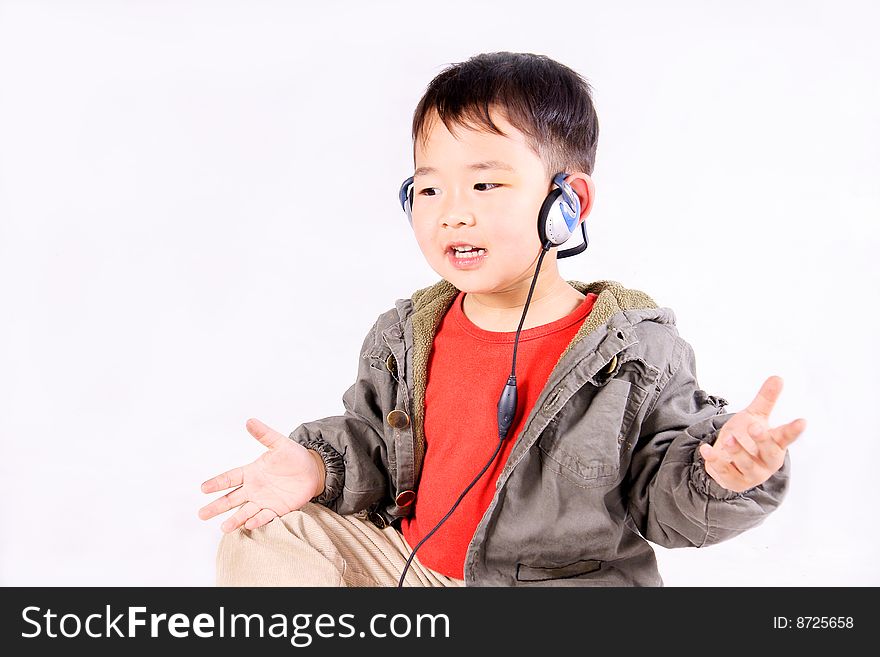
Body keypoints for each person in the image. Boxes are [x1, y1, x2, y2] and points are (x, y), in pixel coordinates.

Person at [198, 51, 807, 587]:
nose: (453, 214)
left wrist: (721, 476)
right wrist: (316, 464)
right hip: (416, 574)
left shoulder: (637, 353)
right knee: (269, 531)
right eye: (430, 190)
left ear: (568, 202)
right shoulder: (403, 335)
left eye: (485, 185)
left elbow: (663, 501)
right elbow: (379, 450)